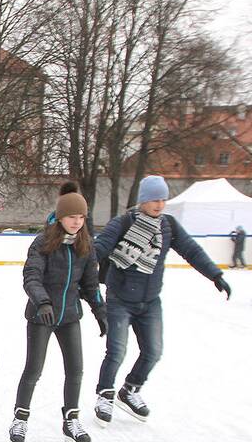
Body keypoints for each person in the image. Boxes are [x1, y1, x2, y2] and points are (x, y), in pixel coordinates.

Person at [92, 175, 230, 425]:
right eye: (154, 198)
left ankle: (130, 389)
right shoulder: (123, 223)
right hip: (120, 298)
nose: (159, 204)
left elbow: (192, 250)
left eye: (163, 199)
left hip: (150, 301)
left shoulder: (169, 226)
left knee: (153, 351)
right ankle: (105, 393)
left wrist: (215, 274)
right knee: (116, 352)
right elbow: (99, 248)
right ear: (143, 199)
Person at [9, 185, 106, 442]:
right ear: (61, 217)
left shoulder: (86, 245)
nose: (77, 222)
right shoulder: (43, 242)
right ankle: (20, 418)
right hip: (42, 316)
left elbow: (91, 284)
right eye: (72, 216)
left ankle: (71, 420)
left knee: (75, 369)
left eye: (81, 217)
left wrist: (100, 311)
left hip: (70, 316)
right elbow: (32, 276)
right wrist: (42, 302)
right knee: (34, 369)